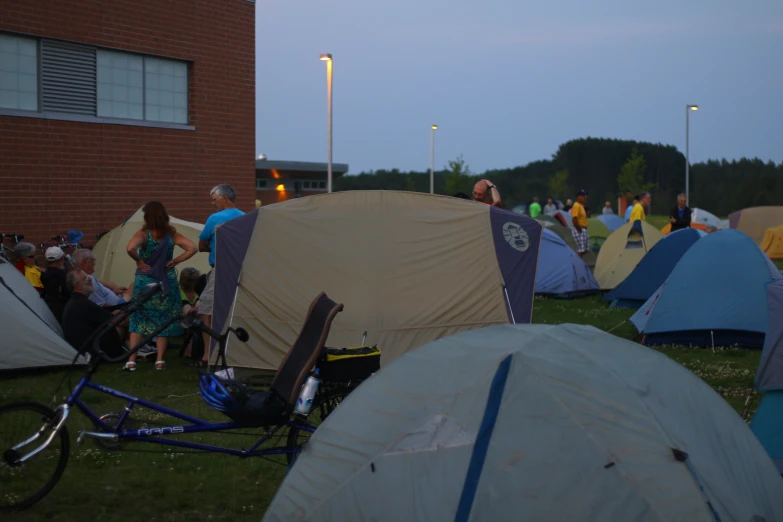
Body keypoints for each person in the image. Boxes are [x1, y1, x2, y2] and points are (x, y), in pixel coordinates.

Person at [123, 201, 198, 372]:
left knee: (138, 318)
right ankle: (159, 361)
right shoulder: (171, 235)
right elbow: (192, 247)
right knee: (163, 319)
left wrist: (139, 261)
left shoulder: (143, 234)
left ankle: (132, 360)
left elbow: (130, 248)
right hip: (166, 280)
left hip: (145, 281)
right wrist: (176, 261)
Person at [196, 184, 245, 367]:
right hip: (240, 269)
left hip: (220, 269)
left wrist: (212, 248)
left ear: (224, 198)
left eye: (214, 199)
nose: (212, 203)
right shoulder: (244, 217)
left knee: (205, 307)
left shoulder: (215, 218)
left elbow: (201, 245)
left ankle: (208, 355)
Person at [61, 269, 125, 359]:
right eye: (85, 278)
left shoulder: (76, 301)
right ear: (77, 285)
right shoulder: (83, 303)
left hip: (84, 348)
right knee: (121, 322)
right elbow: (116, 320)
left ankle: (137, 348)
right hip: (94, 351)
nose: (90, 279)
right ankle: (139, 347)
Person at [41, 246, 70, 323]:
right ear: (62, 258)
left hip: (50, 311)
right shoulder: (63, 276)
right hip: (64, 311)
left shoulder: (44, 274)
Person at [571, 190, 590, 258]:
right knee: (581, 250)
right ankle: (577, 263)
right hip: (579, 229)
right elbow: (574, 218)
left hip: (583, 229)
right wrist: (579, 229)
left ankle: (577, 261)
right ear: (578, 197)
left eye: (585, 196)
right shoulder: (576, 205)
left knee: (586, 249)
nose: (585, 197)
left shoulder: (581, 206)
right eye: (583, 196)